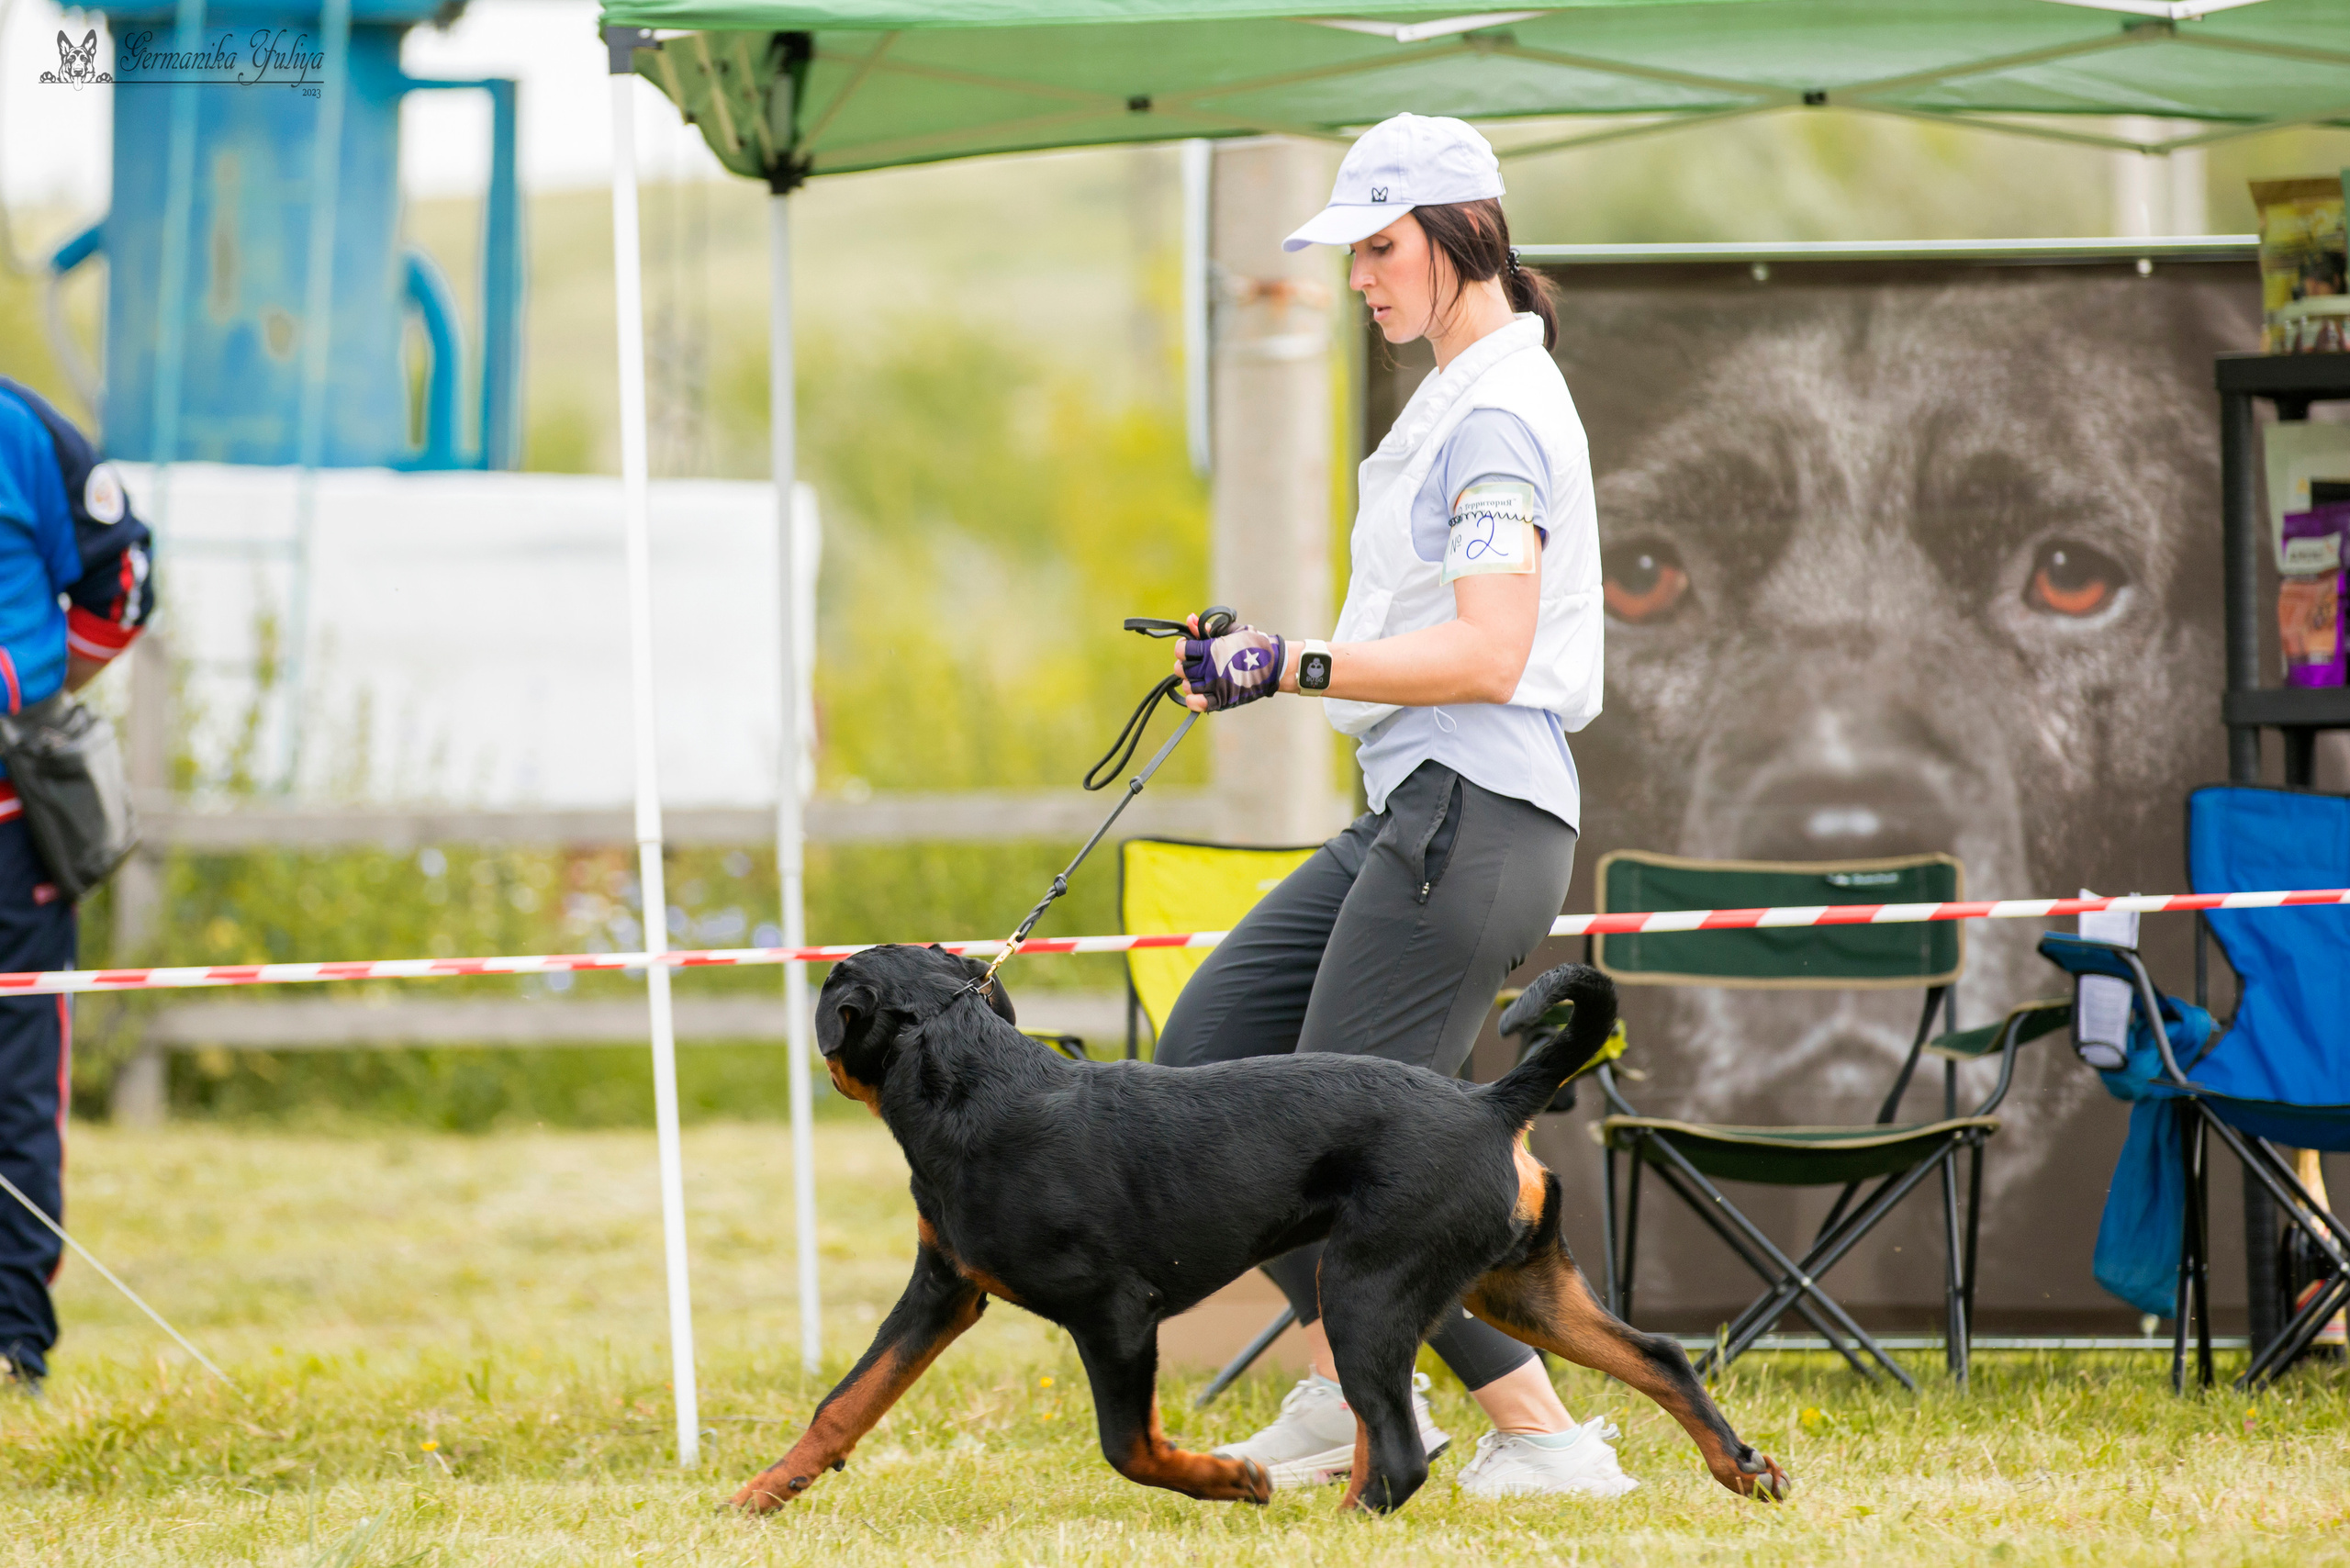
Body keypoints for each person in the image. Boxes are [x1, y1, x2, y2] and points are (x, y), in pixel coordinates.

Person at [1153, 114, 1623, 1499]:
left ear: (1461, 235)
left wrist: (1290, 661)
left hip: (1474, 813)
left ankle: (1543, 1438)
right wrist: (1274, 668)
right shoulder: (1455, 391)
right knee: (1196, 1086)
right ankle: (1331, 1397)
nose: (1358, 275)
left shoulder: (1496, 410)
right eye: (1354, 249)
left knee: (1341, 1162)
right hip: (1416, 808)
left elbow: (1488, 652)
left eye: (1377, 244)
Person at [0, 378, 155, 1394]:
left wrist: (30, 693)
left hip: (13, 829)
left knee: (15, 1088)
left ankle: (12, 1343)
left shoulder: (21, 428)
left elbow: (123, 581)